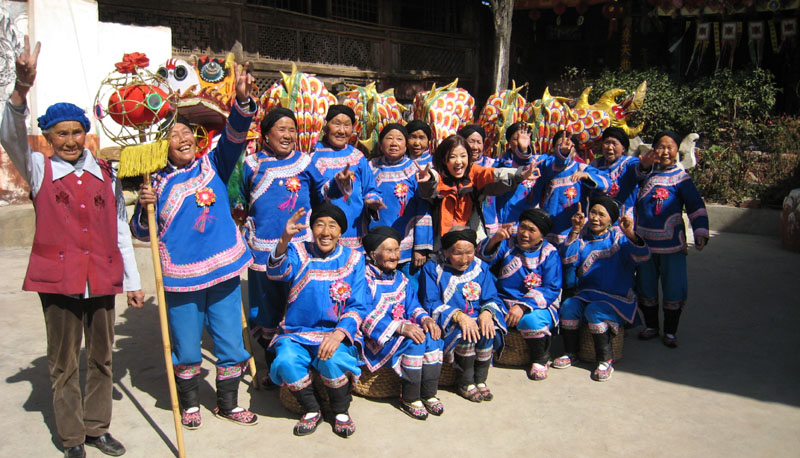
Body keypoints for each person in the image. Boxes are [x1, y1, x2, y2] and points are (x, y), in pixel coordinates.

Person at [0, 37, 144, 458]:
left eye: (76, 132)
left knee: (101, 359)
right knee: (63, 362)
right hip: (58, 280)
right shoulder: (40, 169)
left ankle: (98, 427)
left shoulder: (105, 171)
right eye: (60, 134)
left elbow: (119, 227)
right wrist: (21, 91)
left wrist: (132, 281)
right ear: (47, 136)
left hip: (100, 277)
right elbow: (10, 134)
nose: (69, 140)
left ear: (86, 133)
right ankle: (72, 437)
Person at [131, 62, 258, 428]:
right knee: (186, 347)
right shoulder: (154, 183)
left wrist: (243, 102)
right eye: (174, 135)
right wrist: (144, 206)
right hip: (180, 278)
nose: (183, 138)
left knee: (230, 341)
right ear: (162, 146)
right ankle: (189, 403)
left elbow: (235, 134)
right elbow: (143, 232)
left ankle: (228, 403)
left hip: (224, 269)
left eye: (186, 131)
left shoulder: (214, 163)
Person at [240, 107, 329, 383]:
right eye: (281, 129)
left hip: (299, 250)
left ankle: (302, 364)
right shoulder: (251, 164)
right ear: (266, 134)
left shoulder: (305, 162)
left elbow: (322, 197)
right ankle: (273, 369)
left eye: (292, 129)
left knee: (299, 304)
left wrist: (339, 184)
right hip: (262, 250)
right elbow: (240, 199)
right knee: (266, 310)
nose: (288, 135)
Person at [267, 203, 368, 438]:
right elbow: (275, 272)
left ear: (340, 232)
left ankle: (341, 411)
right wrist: (284, 238)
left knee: (332, 360)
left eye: (332, 226)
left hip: (335, 332)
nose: (325, 232)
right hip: (297, 331)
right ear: (312, 229)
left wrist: (338, 335)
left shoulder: (354, 259)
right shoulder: (298, 251)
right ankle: (312, 410)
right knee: (287, 360)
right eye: (319, 225)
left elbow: (358, 304)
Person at [554, 196, 650, 381]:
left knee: (595, 310)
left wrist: (630, 233)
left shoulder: (619, 239)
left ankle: (605, 360)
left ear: (611, 220)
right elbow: (568, 260)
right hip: (587, 294)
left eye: (601, 215)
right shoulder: (582, 238)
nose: (595, 218)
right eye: (593, 213)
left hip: (617, 297)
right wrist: (575, 230)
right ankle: (570, 353)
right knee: (568, 306)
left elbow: (643, 256)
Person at [360, 226, 444, 420]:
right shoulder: (365, 279)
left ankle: (429, 393)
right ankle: (409, 397)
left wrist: (426, 319)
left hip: (403, 329)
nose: (395, 255)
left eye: (397, 250)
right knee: (416, 341)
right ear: (373, 254)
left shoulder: (401, 278)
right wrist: (400, 327)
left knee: (432, 337)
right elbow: (363, 313)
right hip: (378, 337)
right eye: (388, 251)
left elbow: (412, 305)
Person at [635, 130, 709, 348]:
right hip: (644, 244)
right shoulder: (644, 174)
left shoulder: (682, 178)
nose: (665, 152)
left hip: (672, 246)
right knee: (645, 287)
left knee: (674, 288)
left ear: (677, 150)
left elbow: (695, 206)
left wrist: (701, 231)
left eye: (670, 147)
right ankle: (650, 326)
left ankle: (670, 331)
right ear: (653, 149)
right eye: (661, 146)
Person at [419, 227, 507, 402]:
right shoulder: (433, 269)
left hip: (477, 317)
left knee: (488, 330)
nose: (465, 259)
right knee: (466, 333)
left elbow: (491, 297)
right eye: (458, 253)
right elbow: (430, 302)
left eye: (470, 253)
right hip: (449, 321)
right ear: (445, 251)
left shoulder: (481, 268)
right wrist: (458, 315)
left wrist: (487, 313)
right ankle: (465, 382)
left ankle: (480, 379)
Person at [478, 209, 562, 381]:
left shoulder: (549, 253)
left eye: (532, 230)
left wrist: (523, 305)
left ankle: (540, 359)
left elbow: (552, 288)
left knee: (529, 321)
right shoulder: (509, 244)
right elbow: (482, 262)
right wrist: (495, 239)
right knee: (487, 317)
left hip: (536, 305)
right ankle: (488, 356)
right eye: (523, 227)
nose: (524, 234)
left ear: (542, 236)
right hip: (503, 300)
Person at [416, 134, 535, 250]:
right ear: (443, 160)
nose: (458, 161)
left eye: (463, 156)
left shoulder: (475, 175)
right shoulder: (438, 177)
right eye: (452, 157)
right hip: (442, 244)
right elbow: (430, 183)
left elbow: (494, 175)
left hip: (471, 241)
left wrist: (520, 174)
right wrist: (427, 180)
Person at [312, 104, 384, 250]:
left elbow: (370, 187)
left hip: (354, 230)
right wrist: (337, 185)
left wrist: (373, 201)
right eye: (336, 124)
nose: (341, 131)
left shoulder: (357, 156)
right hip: (323, 232)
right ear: (326, 127)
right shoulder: (313, 155)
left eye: (347, 126)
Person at [367, 123, 432, 283]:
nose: (394, 143)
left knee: (410, 288)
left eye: (399, 139)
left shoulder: (414, 170)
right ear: (381, 144)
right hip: (377, 243)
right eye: (389, 138)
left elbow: (423, 209)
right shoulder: (370, 167)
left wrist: (421, 247)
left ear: (406, 144)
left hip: (407, 246)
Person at [571, 126, 639, 223]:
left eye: (614, 143)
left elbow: (640, 169)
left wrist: (644, 166)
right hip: (597, 221)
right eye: (607, 143)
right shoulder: (594, 165)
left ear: (623, 148)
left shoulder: (629, 164)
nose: (610, 147)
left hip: (621, 222)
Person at [457, 124, 500, 236]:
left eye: (478, 142)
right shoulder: (456, 165)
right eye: (471, 141)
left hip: (487, 222)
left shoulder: (493, 164)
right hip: (460, 222)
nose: (475, 147)